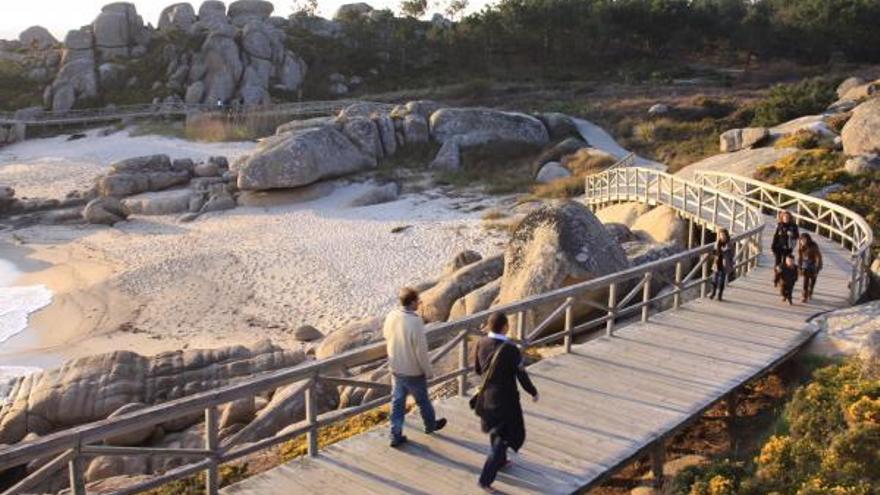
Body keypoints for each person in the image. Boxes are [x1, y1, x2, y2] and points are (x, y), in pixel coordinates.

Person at [472, 313, 539, 492]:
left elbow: (478, 369)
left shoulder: (481, 343)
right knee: (502, 440)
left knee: (496, 430)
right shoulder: (510, 350)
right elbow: (521, 375)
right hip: (505, 400)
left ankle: (500, 462)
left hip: (486, 398)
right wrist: (532, 391)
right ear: (504, 327)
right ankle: (485, 480)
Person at [383, 287, 446, 447]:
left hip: (396, 367)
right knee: (423, 400)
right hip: (412, 370)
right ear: (411, 303)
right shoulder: (415, 321)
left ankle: (395, 434)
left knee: (397, 402)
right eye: (418, 300)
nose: (419, 303)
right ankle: (430, 425)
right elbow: (421, 351)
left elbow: (385, 334)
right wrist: (428, 371)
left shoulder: (392, 315)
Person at [771, 211, 800, 287]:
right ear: (782, 218)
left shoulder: (793, 226)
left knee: (785, 265)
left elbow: (797, 236)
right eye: (784, 217)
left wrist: (792, 234)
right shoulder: (779, 225)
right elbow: (775, 236)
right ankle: (776, 278)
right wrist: (773, 246)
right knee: (777, 264)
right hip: (778, 247)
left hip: (788, 248)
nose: (786, 218)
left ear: (790, 218)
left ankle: (783, 280)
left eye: (787, 217)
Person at [709, 228, 735, 301]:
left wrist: (726, 251)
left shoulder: (729, 244)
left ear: (727, 236)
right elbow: (714, 252)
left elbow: (732, 254)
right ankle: (713, 293)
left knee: (721, 281)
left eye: (723, 235)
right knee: (714, 279)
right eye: (721, 235)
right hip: (717, 263)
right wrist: (712, 254)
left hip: (724, 265)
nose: (722, 237)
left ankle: (719, 295)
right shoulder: (717, 243)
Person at [798, 233, 823, 303]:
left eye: (804, 240)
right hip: (806, 265)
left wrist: (817, 267)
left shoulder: (813, 246)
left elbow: (818, 257)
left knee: (812, 280)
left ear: (807, 239)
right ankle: (804, 295)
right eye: (801, 240)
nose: (802, 241)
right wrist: (799, 267)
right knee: (805, 279)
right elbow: (800, 258)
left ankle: (810, 291)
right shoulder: (801, 247)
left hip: (814, 264)